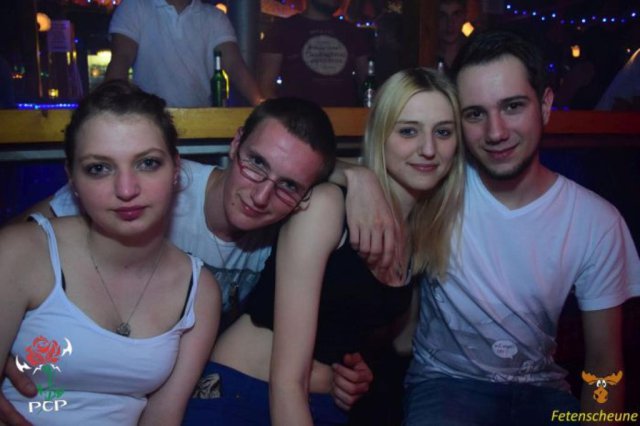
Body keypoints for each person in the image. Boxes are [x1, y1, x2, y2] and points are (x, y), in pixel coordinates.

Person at [1, 96, 386, 426]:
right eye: (256, 163)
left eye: (288, 185)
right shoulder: (149, 192)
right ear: (235, 144)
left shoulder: (288, 234)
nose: (261, 197)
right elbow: (24, 248)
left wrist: (360, 176)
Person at [182, 67, 466, 425]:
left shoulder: (419, 236)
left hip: (323, 405)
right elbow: (287, 382)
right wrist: (356, 173)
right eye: (408, 131)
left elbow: (377, 340)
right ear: (380, 135)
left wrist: (359, 371)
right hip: (241, 395)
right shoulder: (327, 206)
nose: (428, 149)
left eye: (443, 132)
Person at [402, 30, 640, 425]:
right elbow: (360, 170)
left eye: (512, 106)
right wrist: (353, 181)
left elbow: (603, 364)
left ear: (545, 106)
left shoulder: (596, 222)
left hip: (543, 391)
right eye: (475, 114)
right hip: (446, 385)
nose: (495, 132)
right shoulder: (433, 189)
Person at [0, 80, 220, 425]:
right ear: (72, 179)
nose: (126, 189)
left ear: (176, 170)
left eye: (147, 163)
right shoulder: (22, 252)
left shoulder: (199, 290)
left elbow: (163, 418)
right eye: (99, 168)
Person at [105, 0, 263, 107]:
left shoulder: (214, 17)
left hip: (201, 120)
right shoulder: (134, 6)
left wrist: (259, 104)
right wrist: (109, 105)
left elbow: (234, 64)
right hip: (149, 119)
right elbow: (122, 57)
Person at [258, 0, 372, 106]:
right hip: (299, 115)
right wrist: (283, 116)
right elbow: (266, 85)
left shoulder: (351, 32)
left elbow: (367, 81)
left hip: (346, 115)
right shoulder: (282, 29)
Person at [435, 0, 468, 73]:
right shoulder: (424, 55)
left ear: (464, 16)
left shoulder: (472, 53)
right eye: (443, 16)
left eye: (456, 15)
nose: (450, 24)